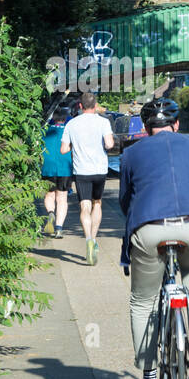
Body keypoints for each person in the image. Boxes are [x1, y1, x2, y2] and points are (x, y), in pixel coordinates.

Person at [118, 97, 189, 379]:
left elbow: (125, 200)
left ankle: (149, 378)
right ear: (177, 125)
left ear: (147, 129)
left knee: (143, 301)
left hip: (149, 230)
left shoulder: (131, 153)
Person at [60, 92, 115, 265]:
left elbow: (63, 150)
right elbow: (110, 144)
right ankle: (95, 237)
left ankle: (88, 240)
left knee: (85, 206)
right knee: (97, 203)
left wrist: (73, 145)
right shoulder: (104, 122)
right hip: (99, 170)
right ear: (95, 105)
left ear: (81, 106)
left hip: (81, 171)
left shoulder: (72, 124)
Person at [40, 108, 73, 238]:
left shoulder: (45, 131)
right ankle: (59, 227)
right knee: (62, 198)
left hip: (47, 168)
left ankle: (50, 213)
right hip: (64, 168)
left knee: (49, 195)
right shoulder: (68, 131)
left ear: (53, 118)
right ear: (65, 119)